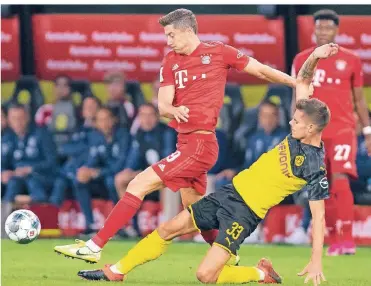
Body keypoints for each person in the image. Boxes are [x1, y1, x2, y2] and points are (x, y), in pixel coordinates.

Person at [76, 43, 337, 286]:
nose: (291, 123)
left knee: (206, 275)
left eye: (297, 122)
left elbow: (319, 215)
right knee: (168, 228)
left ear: (311, 127)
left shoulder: (314, 165)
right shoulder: (298, 132)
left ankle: (261, 273)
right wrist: (315, 56)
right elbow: (302, 81)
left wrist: (316, 259)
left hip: (243, 214)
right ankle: (117, 271)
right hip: (228, 193)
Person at [54, 8, 297, 263]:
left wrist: (294, 83)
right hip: (186, 143)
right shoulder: (171, 60)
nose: (168, 41)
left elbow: (258, 69)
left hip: (201, 144)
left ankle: (95, 246)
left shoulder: (218, 52)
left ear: (188, 30)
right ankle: (232, 260)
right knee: (197, 214)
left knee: (138, 183)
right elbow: (163, 104)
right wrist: (173, 109)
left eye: (171, 35)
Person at [291, 9, 371, 256]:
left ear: (337, 30)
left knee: (340, 180)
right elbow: (297, 99)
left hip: (343, 129)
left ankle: (347, 240)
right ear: (313, 30)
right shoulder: (301, 59)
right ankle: (332, 238)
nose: (323, 31)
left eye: (328, 27)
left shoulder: (351, 59)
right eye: (319, 27)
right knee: (320, 186)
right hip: (314, 132)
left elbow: (359, 99)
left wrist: (367, 131)